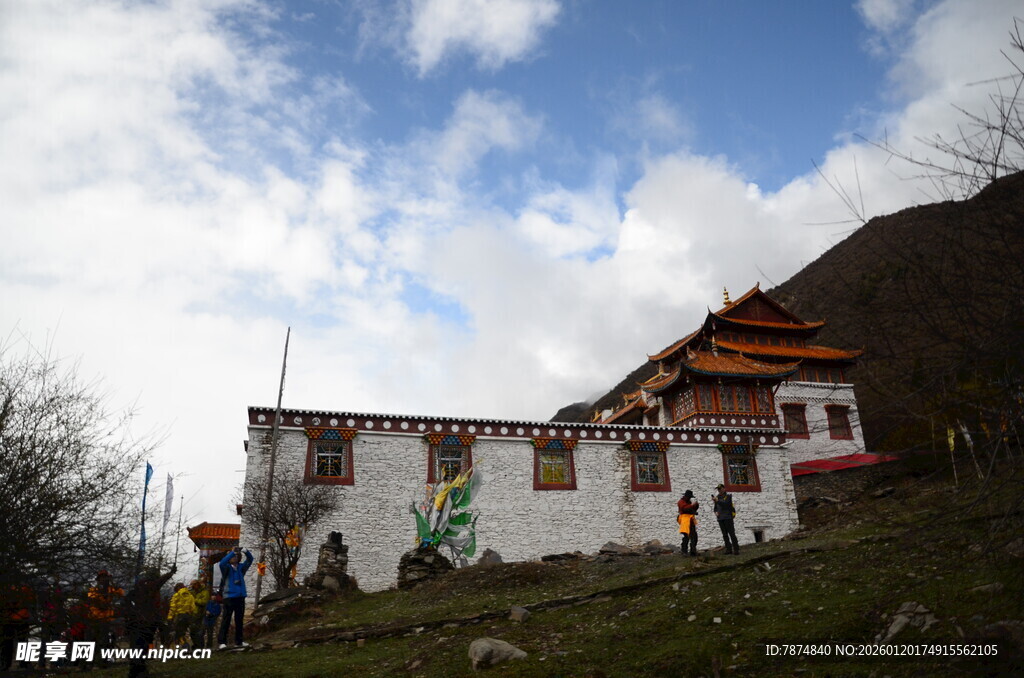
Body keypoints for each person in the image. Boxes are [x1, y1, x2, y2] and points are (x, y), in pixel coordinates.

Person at [123, 565, 175, 678]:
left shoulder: (139, 588)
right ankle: (140, 671)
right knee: (142, 646)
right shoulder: (149, 586)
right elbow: (159, 582)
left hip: (136, 623)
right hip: (145, 623)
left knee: (136, 646)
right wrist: (170, 573)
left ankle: (134, 671)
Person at [217, 546, 253, 649]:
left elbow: (250, 560)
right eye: (233, 556)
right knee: (226, 619)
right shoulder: (226, 568)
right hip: (229, 596)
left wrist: (245, 551)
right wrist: (232, 552)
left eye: (236, 556)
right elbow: (222, 563)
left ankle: (239, 641)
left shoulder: (241, 568)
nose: (234, 557)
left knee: (239, 620)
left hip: (240, 596)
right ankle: (222, 642)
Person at [86, 570, 124, 648]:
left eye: (105, 578)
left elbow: (120, 593)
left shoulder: (111, 589)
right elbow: (92, 599)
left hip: (107, 618)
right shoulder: (94, 590)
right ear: (98, 580)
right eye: (102, 578)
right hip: (95, 618)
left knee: (108, 638)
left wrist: (112, 582)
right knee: (94, 637)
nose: (104, 580)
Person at [713, 483, 740, 555]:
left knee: (731, 534)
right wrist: (716, 512)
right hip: (720, 518)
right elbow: (715, 508)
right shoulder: (717, 498)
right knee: (724, 535)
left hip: (728, 517)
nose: (719, 490)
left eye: (720, 489)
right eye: (718, 489)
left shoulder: (728, 497)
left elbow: (725, 505)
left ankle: (736, 549)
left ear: (724, 489)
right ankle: (728, 549)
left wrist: (717, 501)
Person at [166, 583, 195, 648]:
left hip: (179, 617)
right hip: (187, 616)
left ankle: (184, 647)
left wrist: (169, 618)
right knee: (182, 632)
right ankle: (186, 647)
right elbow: (193, 608)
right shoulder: (190, 596)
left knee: (177, 633)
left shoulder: (176, 595)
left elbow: (173, 608)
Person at [677, 490, 699, 556]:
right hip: (684, 521)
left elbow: (694, 509)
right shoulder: (681, 502)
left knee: (694, 536)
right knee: (686, 536)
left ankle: (693, 551)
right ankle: (684, 551)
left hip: (691, 520)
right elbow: (684, 508)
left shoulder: (689, 501)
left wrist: (696, 504)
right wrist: (692, 505)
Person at [188, 580, 210, 648]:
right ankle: (195, 645)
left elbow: (204, 602)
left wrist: (194, 600)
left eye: (193, 585)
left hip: (201, 615)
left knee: (199, 632)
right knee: (192, 631)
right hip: (192, 615)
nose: (192, 586)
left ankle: (200, 647)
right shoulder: (192, 592)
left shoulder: (205, 592)